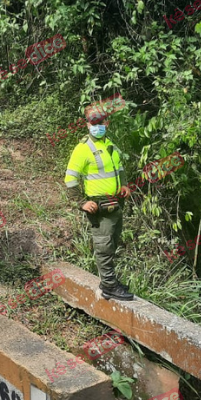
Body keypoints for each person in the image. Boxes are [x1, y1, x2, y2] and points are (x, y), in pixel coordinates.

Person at [64, 105, 133, 301]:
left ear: (106, 123)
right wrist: (81, 202)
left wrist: (125, 185)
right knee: (103, 246)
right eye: (93, 123)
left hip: (116, 204)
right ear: (87, 125)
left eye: (100, 122)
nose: (97, 126)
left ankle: (109, 281)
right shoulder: (83, 149)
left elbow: (119, 169)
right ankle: (109, 287)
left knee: (112, 244)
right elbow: (70, 179)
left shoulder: (110, 145)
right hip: (99, 207)